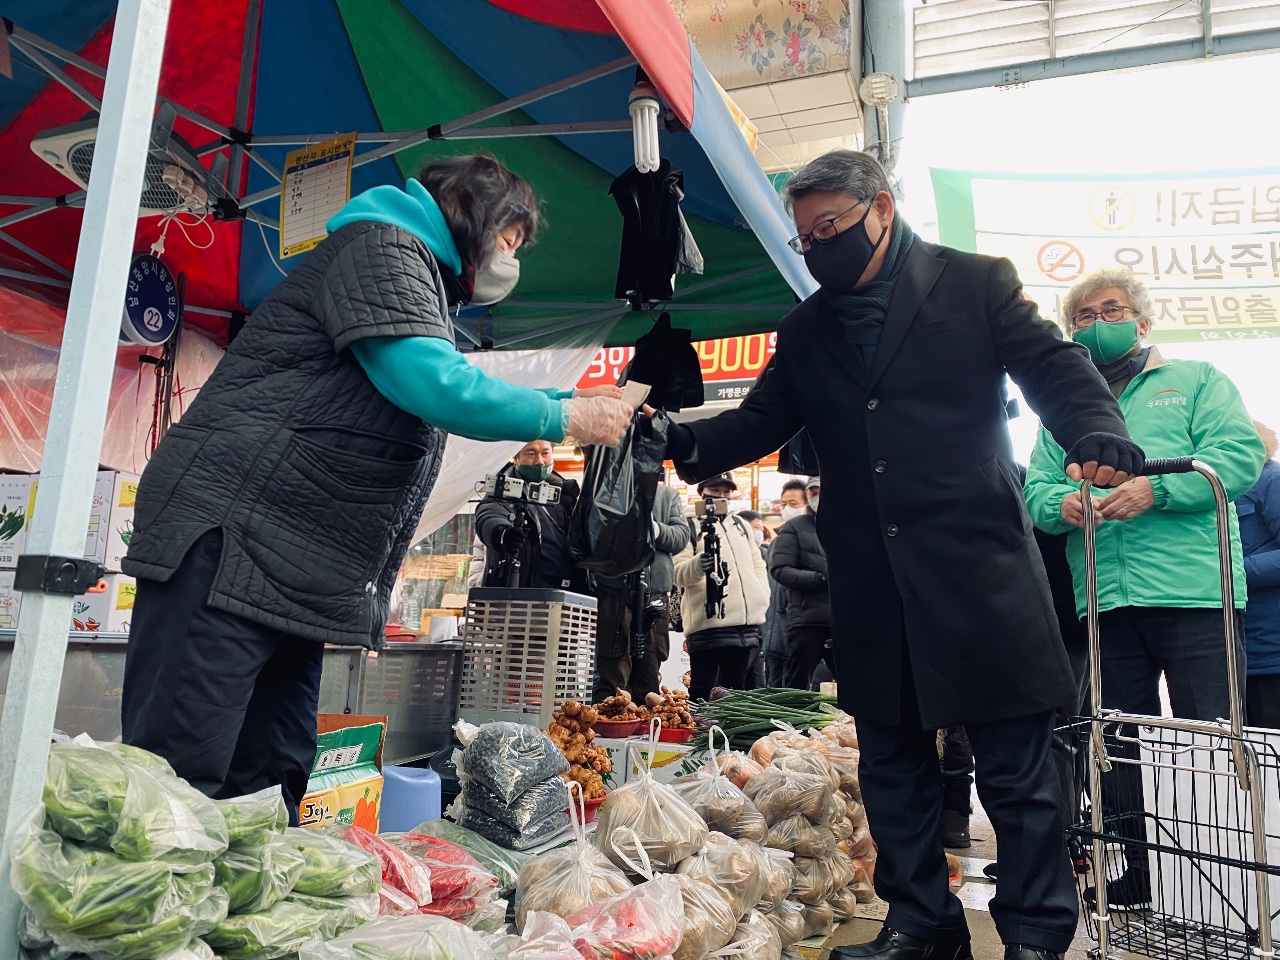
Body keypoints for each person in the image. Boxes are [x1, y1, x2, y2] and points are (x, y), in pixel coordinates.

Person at [663, 149, 1143, 960]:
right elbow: (759, 420)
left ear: (881, 208)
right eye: (807, 237)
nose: (818, 248)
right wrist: (676, 439)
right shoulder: (807, 327)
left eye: (831, 228)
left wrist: (1097, 429)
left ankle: (1034, 934)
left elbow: (1052, 365)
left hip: (978, 568)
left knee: (1017, 771)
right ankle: (921, 922)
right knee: (891, 765)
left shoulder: (975, 284)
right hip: (871, 579)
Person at [120, 155, 631, 821]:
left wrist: (574, 400)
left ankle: (243, 885)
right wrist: (564, 417)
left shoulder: (416, 275)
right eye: (508, 241)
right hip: (229, 540)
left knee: (270, 778)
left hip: (287, 565)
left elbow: (439, 376)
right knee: (178, 782)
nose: (510, 262)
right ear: (471, 218)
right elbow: (434, 383)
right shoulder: (382, 246)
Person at [1024, 266, 1264, 911]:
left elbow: (1237, 455)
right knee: (1117, 749)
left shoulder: (1196, 380)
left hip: (1196, 594)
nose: (1099, 324)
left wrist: (1156, 489)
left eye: (1112, 310)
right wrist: (1060, 505)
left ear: (1143, 321)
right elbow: (1037, 488)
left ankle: (1226, 884)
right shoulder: (1058, 410)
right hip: (1105, 598)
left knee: (1212, 739)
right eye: (1084, 316)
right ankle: (1139, 873)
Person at [593, 482, 690, 703]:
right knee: (612, 676)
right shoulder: (606, 491)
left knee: (649, 676)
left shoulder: (667, 495)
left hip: (655, 596)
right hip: (614, 592)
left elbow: (681, 536)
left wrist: (656, 529)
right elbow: (590, 534)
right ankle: (608, 719)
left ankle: (647, 721)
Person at [673, 475, 768, 701]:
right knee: (701, 689)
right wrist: (698, 565)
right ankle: (698, 725)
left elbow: (758, 563)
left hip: (744, 623)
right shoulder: (688, 524)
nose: (722, 496)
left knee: (734, 691)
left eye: (727, 491)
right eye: (716, 490)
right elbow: (677, 573)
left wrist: (761, 595)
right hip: (707, 622)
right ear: (702, 492)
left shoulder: (741, 525)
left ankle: (725, 726)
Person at [475, 440, 583, 590]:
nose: (540, 461)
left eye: (545, 453)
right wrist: (502, 534)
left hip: (570, 592)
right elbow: (490, 514)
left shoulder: (565, 494)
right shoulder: (504, 491)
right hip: (526, 591)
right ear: (515, 457)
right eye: (531, 454)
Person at [769, 483, 834, 690]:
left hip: (843, 621)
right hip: (807, 620)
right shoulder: (795, 527)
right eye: (813, 492)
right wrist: (820, 579)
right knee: (797, 687)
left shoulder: (846, 525)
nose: (818, 497)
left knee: (855, 686)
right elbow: (780, 569)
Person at [1241, 421, 1280, 729]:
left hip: (1270, 654)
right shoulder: (1200, 487)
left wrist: (1230, 572)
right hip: (1226, 656)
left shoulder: (1269, 478)